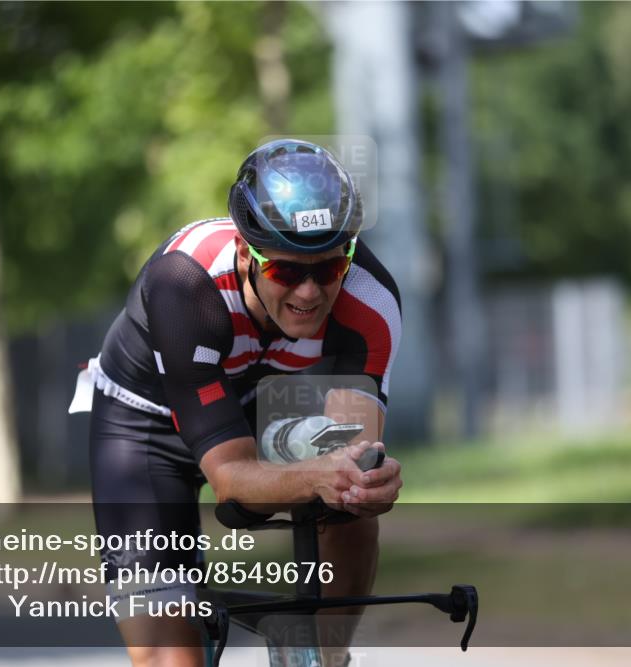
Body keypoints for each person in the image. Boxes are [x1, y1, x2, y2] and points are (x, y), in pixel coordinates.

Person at [75, 139, 403, 666]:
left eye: (327, 269)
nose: (309, 292)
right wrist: (311, 477)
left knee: (349, 496)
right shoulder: (186, 284)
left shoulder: (369, 299)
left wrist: (363, 483)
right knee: (168, 657)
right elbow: (231, 478)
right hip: (147, 427)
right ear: (246, 253)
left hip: (263, 402)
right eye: (286, 272)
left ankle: (325, 657)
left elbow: (352, 463)